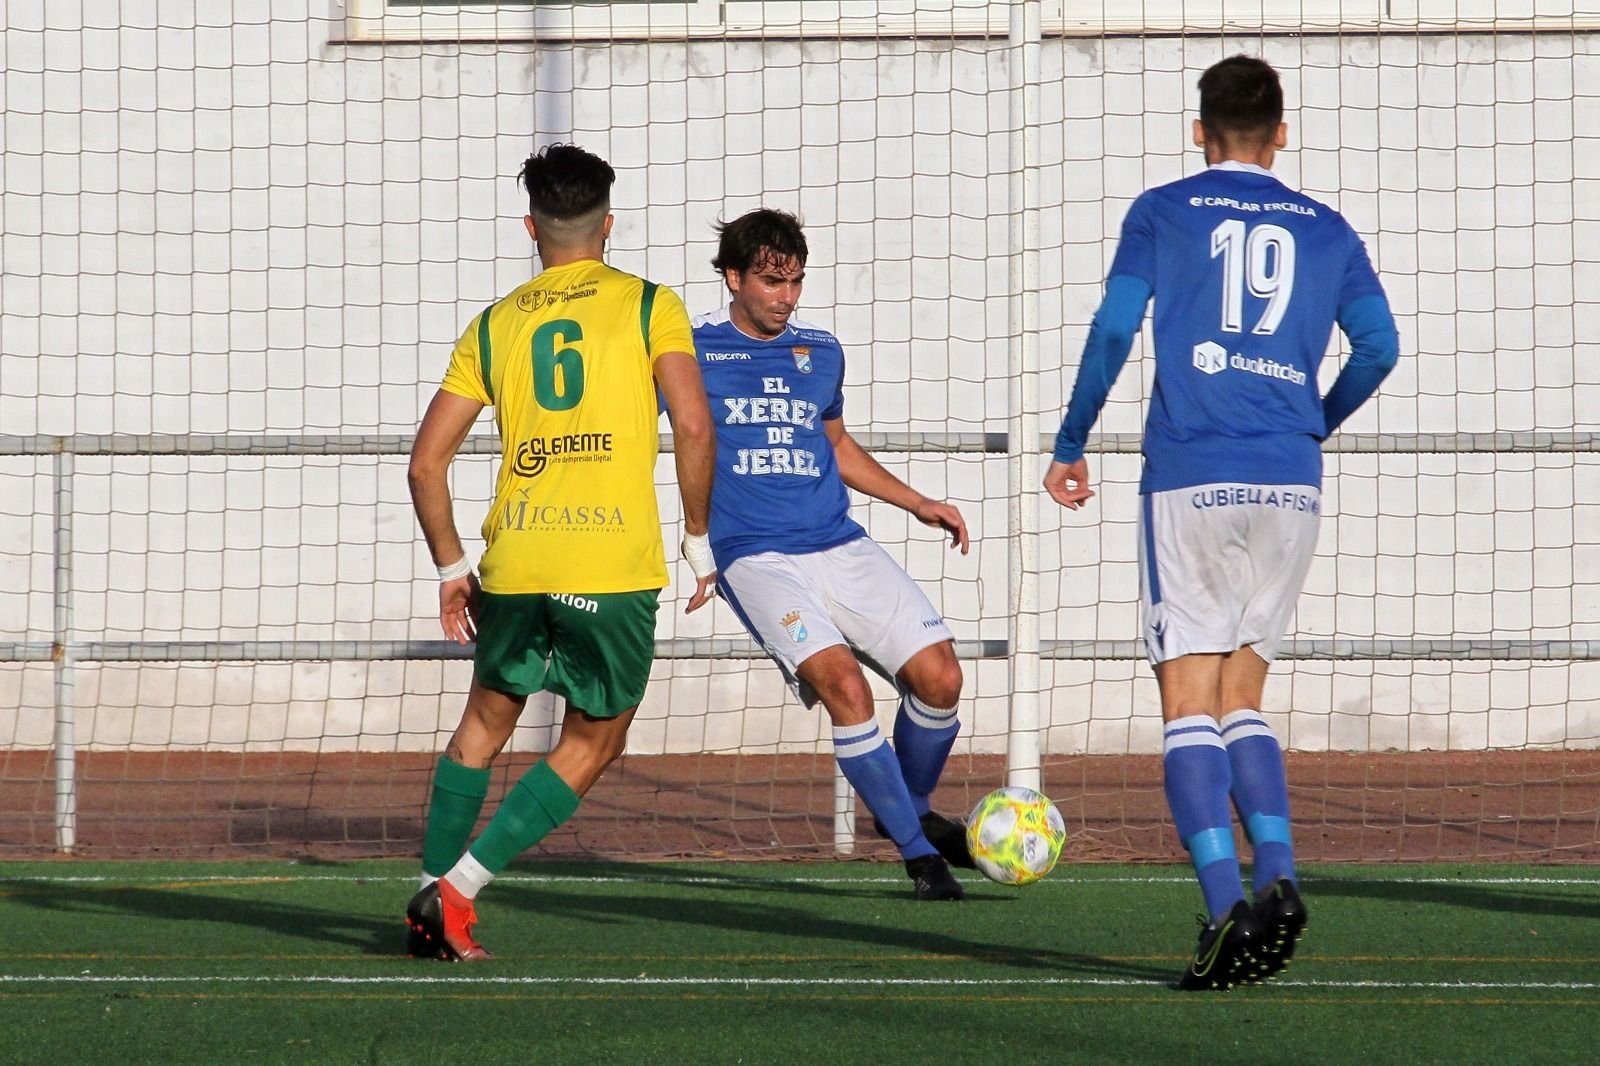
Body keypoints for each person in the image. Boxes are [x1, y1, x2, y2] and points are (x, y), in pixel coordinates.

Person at [1044, 56, 1399, 989]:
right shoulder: (1328, 227)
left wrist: (1072, 440)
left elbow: (1115, 327)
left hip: (1192, 474)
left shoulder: (1163, 211)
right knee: (1243, 696)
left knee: (1186, 705)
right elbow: (1380, 347)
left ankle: (1221, 909)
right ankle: (1278, 874)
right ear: (1281, 133)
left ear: (1199, 130)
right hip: (1290, 482)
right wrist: (1313, 420)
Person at [403, 143, 716, 961]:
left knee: (482, 726)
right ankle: (456, 892)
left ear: (530, 228)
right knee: (595, 739)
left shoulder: (494, 324)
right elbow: (692, 424)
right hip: (609, 566)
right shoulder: (650, 305)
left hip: (515, 563)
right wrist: (697, 539)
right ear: (608, 226)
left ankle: (425, 898)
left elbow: (425, 464)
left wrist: (451, 568)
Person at [690, 208, 975, 901]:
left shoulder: (820, 351)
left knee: (941, 678)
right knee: (846, 688)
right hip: (754, 556)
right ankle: (921, 857)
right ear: (733, 278)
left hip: (837, 540)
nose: (786, 297)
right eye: (771, 282)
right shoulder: (691, 351)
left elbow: (836, 443)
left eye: (795, 282)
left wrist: (917, 501)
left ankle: (906, 809)